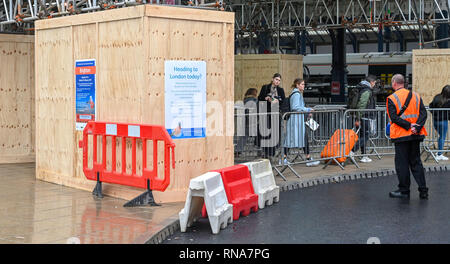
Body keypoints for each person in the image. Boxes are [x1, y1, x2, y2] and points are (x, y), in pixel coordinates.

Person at [386, 74, 428, 199]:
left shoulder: (391, 98)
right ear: (403, 83)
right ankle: (423, 190)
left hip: (401, 135)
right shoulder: (416, 95)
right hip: (416, 134)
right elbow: (423, 113)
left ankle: (404, 191)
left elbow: (394, 118)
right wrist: (417, 127)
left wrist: (409, 126)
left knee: (402, 163)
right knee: (416, 162)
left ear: (394, 83)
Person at [283, 78, 319, 167]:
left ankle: (307, 158)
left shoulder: (296, 94)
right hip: (296, 120)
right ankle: (307, 158)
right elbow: (295, 107)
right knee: (295, 138)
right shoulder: (296, 94)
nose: (304, 86)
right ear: (297, 85)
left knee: (298, 138)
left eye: (304, 84)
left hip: (297, 119)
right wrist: (308, 109)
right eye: (302, 84)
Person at [257, 73, 286, 159]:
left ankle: (272, 152)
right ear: (272, 79)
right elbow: (260, 98)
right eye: (276, 79)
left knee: (275, 133)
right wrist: (266, 98)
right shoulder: (265, 87)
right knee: (266, 133)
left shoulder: (280, 90)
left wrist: (277, 100)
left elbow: (283, 100)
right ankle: (266, 151)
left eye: (279, 80)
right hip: (266, 113)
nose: (277, 82)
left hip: (276, 113)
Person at [352, 74, 377, 163]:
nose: (374, 85)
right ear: (371, 82)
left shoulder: (362, 88)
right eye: (374, 83)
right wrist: (358, 118)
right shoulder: (367, 90)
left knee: (363, 136)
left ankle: (364, 155)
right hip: (365, 117)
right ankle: (352, 151)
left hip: (363, 117)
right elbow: (362, 105)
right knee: (366, 136)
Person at [429, 85, 450, 161]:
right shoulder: (448, 101)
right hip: (443, 121)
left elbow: (430, 106)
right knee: (442, 137)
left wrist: (434, 114)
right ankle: (439, 154)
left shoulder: (437, 97)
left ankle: (439, 152)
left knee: (441, 136)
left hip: (435, 121)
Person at [235, 88, 258, 154]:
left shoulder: (245, 100)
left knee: (244, 136)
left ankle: (238, 150)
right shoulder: (253, 100)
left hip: (246, 119)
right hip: (252, 120)